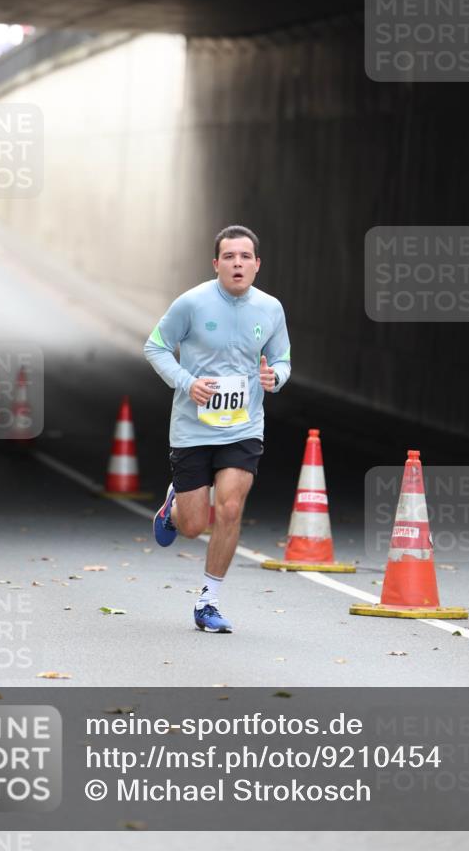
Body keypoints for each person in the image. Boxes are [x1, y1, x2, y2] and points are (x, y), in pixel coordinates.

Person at [144, 225, 291, 633]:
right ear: (216, 264)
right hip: (193, 428)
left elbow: (282, 360)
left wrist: (274, 378)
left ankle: (208, 601)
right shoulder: (191, 303)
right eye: (229, 257)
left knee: (229, 507)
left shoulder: (271, 309)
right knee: (194, 526)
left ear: (257, 265)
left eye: (245, 257)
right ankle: (174, 508)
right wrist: (187, 382)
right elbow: (154, 346)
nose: (237, 263)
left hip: (243, 427)